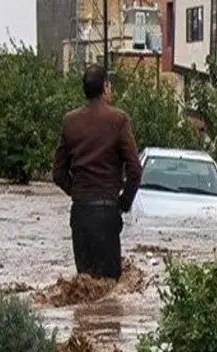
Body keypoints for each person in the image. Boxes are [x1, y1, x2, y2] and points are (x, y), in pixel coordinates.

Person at [52, 65, 142, 280]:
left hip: (80, 213)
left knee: (84, 285)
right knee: (109, 289)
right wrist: (123, 203)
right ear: (105, 87)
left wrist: (78, 192)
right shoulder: (119, 120)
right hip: (106, 212)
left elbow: (58, 173)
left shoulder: (69, 121)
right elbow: (135, 171)